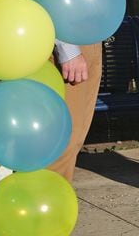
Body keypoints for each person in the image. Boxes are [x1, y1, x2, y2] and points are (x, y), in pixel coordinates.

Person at [48, 40, 103, 182]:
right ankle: (42, 200)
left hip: (91, 38)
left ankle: (57, 200)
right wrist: (67, 50)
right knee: (60, 143)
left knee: (75, 140)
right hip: (69, 41)